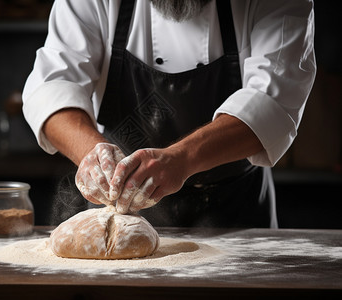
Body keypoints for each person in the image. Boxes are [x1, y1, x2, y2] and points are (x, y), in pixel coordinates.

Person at [22, 0, 316, 228]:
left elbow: (273, 100)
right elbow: (53, 85)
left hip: (235, 212)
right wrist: (92, 153)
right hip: (120, 214)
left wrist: (183, 159)